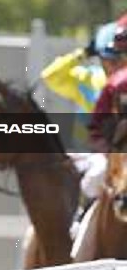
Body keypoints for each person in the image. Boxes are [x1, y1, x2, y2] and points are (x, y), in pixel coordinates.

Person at [41, 21, 125, 203]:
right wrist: (83, 53)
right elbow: (50, 76)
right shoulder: (88, 78)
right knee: (93, 178)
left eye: (117, 59)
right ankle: (81, 216)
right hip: (96, 150)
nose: (111, 65)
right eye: (106, 58)